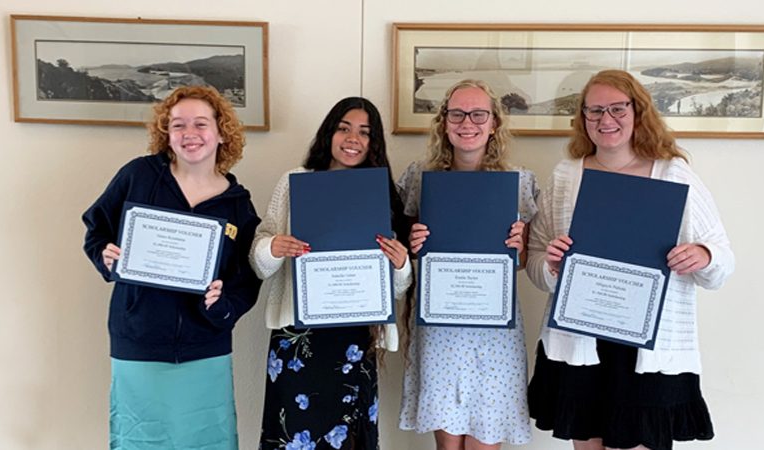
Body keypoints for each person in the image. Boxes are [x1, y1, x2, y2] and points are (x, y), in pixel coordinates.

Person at [526, 69, 735, 450]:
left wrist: (703, 255)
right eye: (594, 111)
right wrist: (551, 264)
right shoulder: (565, 177)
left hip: (646, 352)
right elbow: (537, 262)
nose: (606, 120)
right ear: (583, 118)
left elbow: (722, 260)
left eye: (618, 108)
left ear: (638, 111)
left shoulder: (674, 175)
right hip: (581, 346)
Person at [82, 85, 262, 449]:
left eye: (200, 123)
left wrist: (222, 303)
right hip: (139, 339)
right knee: (140, 439)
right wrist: (106, 255)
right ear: (166, 133)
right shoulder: (139, 176)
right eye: (178, 125)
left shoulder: (238, 204)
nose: (189, 134)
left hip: (205, 347)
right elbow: (96, 228)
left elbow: (246, 278)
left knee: (207, 439)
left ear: (221, 131)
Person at [249, 97, 413, 450]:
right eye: (344, 128)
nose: (353, 138)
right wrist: (274, 247)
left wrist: (401, 264)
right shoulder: (295, 181)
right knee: (294, 435)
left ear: (374, 143)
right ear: (329, 132)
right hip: (299, 337)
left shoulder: (380, 192)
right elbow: (259, 260)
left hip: (355, 338)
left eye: (364, 133)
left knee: (350, 439)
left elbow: (397, 288)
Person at [397, 79, 539, 449]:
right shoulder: (419, 178)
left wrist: (520, 248)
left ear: (494, 123)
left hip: (494, 330)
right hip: (439, 327)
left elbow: (523, 262)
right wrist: (413, 246)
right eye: (457, 113)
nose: (467, 123)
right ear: (444, 121)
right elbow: (401, 251)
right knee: (448, 446)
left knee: (485, 442)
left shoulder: (519, 182)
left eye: (479, 114)